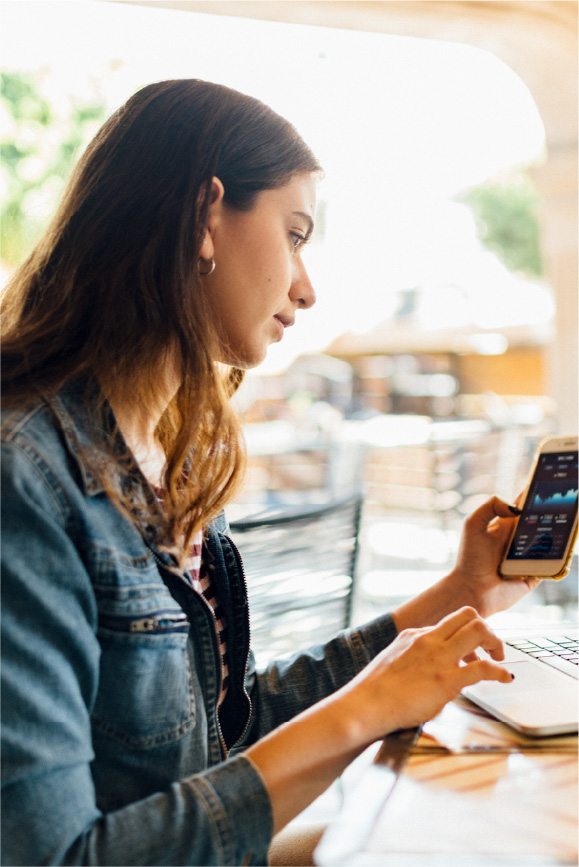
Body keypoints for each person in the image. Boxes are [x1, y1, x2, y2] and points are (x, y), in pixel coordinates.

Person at [1, 79, 540, 867]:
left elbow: (231, 731)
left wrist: (461, 595)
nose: (306, 286)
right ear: (204, 213)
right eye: (293, 234)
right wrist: (364, 709)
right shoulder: (26, 479)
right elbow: (55, 857)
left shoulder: (172, 464)